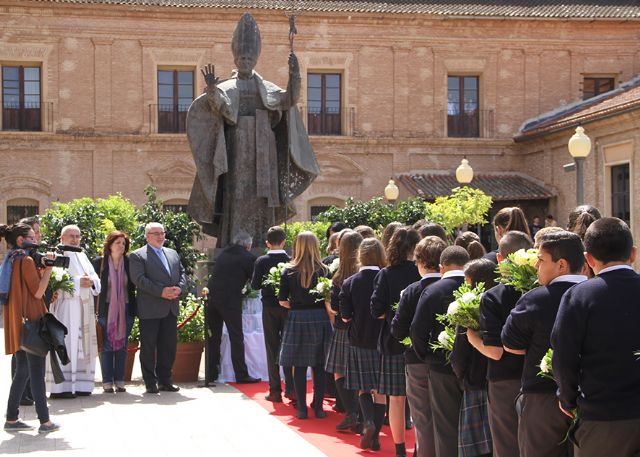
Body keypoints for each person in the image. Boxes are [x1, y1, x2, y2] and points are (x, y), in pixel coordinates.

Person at [187, 12, 319, 247]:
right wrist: (211, 90)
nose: (246, 61)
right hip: (237, 148)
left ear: (255, 59)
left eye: (250, 57)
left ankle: (264, 241)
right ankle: (233, 242)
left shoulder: (266, 88)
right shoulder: (226, 87)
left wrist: (295, 74)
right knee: (237, 195)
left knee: (263, 196)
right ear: (235, 59)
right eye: (242, 57)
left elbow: (288, 100)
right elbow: (224, 111)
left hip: (264, 147)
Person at [551, 218, 640, 457]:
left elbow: (563, 356)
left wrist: (567, 399)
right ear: (632, 253)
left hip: (602, 416)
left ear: (588, 259)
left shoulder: (579, 296)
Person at [502, 230, 586, 457]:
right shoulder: (598, 294)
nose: (536, 266)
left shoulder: (536, 298)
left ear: (561, 265)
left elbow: (511, 345)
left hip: (543, 399)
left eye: (541, 260)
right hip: (592, 397)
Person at [467, 230, 532, 457]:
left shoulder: (493, 297)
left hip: (504, 379)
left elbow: (494, 351)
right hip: (536, 377)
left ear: (499, 259)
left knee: (506, 445)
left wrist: (472, 338)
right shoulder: (539, 290)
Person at [391, 236, 447, 457]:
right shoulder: (454, 285)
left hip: (417, 361)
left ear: (420, 261)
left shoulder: (412, 290)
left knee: (422, 419)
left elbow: (398, 330)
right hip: (448, 362)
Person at [410, 245, 469, 457]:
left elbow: (417, 330)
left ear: (442, 268)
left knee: (445, 427)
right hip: (474, 367)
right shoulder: (476, 287)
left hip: (440, 366)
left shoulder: (433, 290)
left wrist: (425, 355)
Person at [1, 223, 59, 433]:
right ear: (20, 240)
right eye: (33, 237)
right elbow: (37, 292)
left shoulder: (11, 258)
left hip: (19, 320)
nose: (36, 241)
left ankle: (12, 419)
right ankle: (45, 422)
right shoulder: (25, 260)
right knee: (36, 371)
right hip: (32, 320)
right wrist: (50, 269)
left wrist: (41, 269)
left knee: (22, 370)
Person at [371, 227, 421, 457]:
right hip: (420, 343)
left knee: (397, 400)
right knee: (421, 402)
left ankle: (400, 450)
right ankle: (420, 447)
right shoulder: (423, 272)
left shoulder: (386, 274)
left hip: (393, 341)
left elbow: (376, 311)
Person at [278, 231, 333, 419]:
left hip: (297, 318)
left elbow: (282, 300)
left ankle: (301, 409)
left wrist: (294, 304)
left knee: (299, 365)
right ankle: (318, 407)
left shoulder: (288, 271)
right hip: (319, 318)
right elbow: (329, 298)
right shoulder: (325, 270)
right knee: (319, 365)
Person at [340, 238, 387, 451]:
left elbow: (345, 317)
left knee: (363, 388)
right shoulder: (386, 278)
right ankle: (375, 437)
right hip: (383, 341)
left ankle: (367, 421)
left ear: (360, 256)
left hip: (359, 340)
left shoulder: (350, 282)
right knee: (380, 391)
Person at [129, 222, 186, 394]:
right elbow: (139, 279)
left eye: (162, 233)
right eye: (156, 233)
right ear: (147, 236)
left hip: (170, 307)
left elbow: (182, 272)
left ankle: (165, 381)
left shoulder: (172, 253)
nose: (160, 236)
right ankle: (150, 382)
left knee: (168, 346)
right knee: (148, 347)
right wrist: (161, 291)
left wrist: (180, 288)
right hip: (150, 308)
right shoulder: (138, 256)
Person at [46, 224, 101, 398]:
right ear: (62, 238)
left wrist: (91, 282)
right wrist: (78, 283)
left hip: (84, 307)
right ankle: (61, 388)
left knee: (81, 346)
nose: (75, 239)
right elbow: (53, 281)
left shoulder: (82, 255)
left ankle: (82, 386)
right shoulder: (57, 255)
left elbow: (95, 278)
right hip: (66, 307)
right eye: (71, 236)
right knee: (67, 345)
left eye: (77, 236)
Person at [451, 258, 497, 457]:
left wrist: (461, 376)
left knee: (475, 450)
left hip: (475, 383)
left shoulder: (469, 311)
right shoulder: (502, 303)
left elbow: (458, 356)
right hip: (498, 384)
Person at [208, 232, 260, 384]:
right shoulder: (248, 257)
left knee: (214, 337)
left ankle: (211, 372)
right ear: (248, 245)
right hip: (230, 300)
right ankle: (241, 374)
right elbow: (255, 282)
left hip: (212, 298)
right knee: (236, 336)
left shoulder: (224, 254)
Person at [326, 230, 363, 431]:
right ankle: (359, 414)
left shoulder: (339, 276)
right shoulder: (366, 274)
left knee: (340, 371)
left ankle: (351, 413)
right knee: (359, 373)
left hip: (342, 328)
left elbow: (335, 308)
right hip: (362, 329)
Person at [251, 226, 293, 401]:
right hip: (288, 307)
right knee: (289, 347)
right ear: (284, 241)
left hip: (269, 307)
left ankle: (275, 390)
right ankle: (291, 388)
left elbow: (255, 286)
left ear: (267, 243)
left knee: (272, 347)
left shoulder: (261, 261)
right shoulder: (290, 260)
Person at [92, 231, 137, 393]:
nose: (121, 246)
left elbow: (135, 286)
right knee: (107, 346)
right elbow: (93, 288)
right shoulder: (99, 263)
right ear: (109, 245)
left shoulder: (130, 263)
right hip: (105, 310)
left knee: (122, 346)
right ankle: (106, 382)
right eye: (118, 243)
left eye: (124, 244)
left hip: (126, 310)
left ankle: (120, 381)